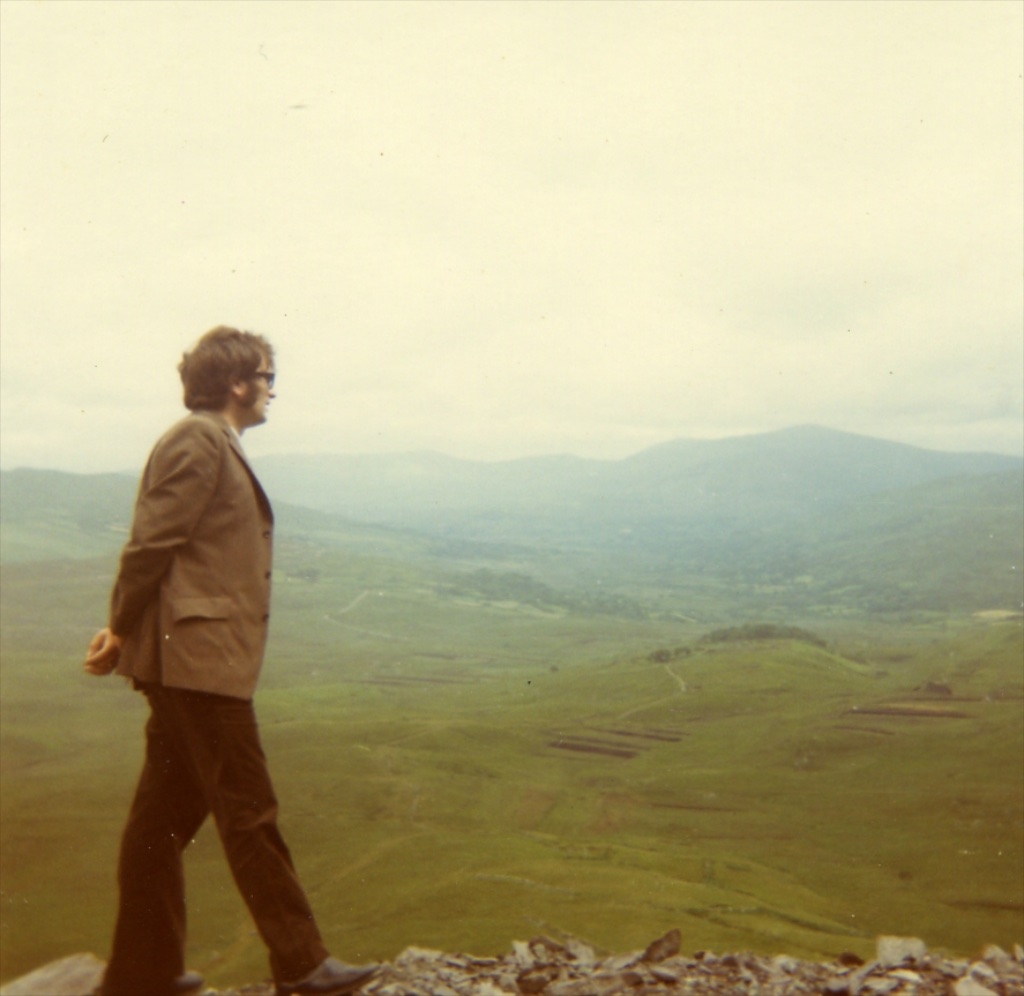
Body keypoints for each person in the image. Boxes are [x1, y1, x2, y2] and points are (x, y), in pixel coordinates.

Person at [84, 327, 379, 996]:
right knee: (249, 811)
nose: (275, 390)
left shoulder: (212, 443)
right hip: (197, 663)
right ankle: (302, 965)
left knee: (160, 821)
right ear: (239, 382)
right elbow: (149, 546)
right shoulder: (196, 439)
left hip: (191, 661)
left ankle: (142, 972)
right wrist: (118, 627)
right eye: (269, 377)